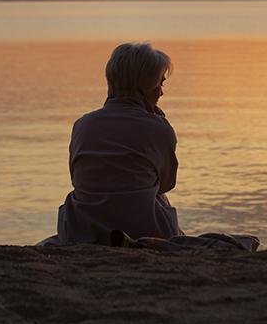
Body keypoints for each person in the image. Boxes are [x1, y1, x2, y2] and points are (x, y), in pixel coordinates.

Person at [38, 42, 182, 245]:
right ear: (146, 85)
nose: (161, 93)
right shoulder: (159, 128)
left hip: (83, 229)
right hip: (142, 228)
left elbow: (77, 179)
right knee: (158, 196)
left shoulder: (83, 124)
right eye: (161, 83)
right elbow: (166, 183)